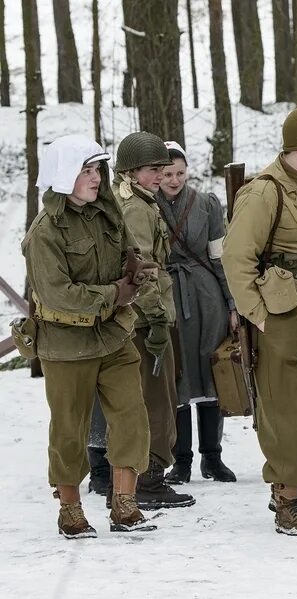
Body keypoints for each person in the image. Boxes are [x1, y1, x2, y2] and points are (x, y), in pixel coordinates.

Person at [21, 134, 156, 537]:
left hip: (113, 337)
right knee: (69, 429)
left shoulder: (108, 214)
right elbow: (58, 294)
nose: (95, 178)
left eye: (97, 169)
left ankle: (125, 504)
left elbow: (130, 258)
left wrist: (140, 274)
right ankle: (71, 509)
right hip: (65, 345)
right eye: (85, 170)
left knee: (132, 418)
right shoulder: (44, 231)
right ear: (64, 175)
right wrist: (117, 292)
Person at [222, 105, 297, 537]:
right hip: (283, 316)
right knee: (286, 407)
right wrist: (258, 316)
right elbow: (237, 259)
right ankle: (287, 499)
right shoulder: (263, 192)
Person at [111, 131, 195, 509]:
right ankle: (148, 479)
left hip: (145, 317)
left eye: (163, 167)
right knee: (157, 400)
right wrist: (159, 321)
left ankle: (144, 475)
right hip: (145, 321)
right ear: (130, 172)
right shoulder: (136, 208)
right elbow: (142, 269)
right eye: (153, 169)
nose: (161, 174)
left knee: (155, 397)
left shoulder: (142, 200)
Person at [155, 141, 237, 485]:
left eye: (180, 173)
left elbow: (220, 256)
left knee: (210, 374)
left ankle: (212, 457)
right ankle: (182, 460)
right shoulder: (146, 206)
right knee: (178, 378)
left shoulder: (206, 204)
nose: (174, 180)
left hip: (207, 299)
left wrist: (232, 304)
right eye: (168, 173)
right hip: (168, 298)